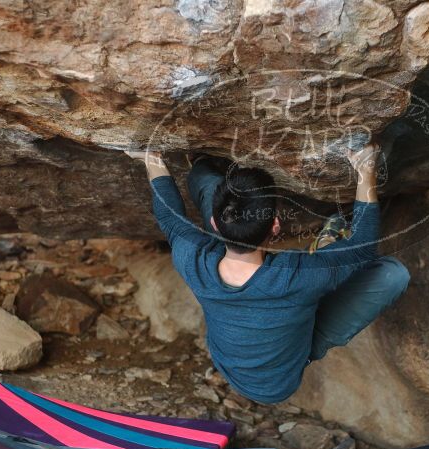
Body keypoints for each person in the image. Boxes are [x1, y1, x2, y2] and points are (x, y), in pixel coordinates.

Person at [125, 143, 409, 404]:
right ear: (275, 226)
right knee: (393, 275)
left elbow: (169, 216)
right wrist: (365, 169)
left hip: (230, 366)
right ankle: (326, 248)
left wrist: (151, 158)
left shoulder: (192, 260)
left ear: (212, 223)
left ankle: (199, 163)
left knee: (212, 188)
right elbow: (362, 248)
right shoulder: (299, 276)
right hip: (279, 383)